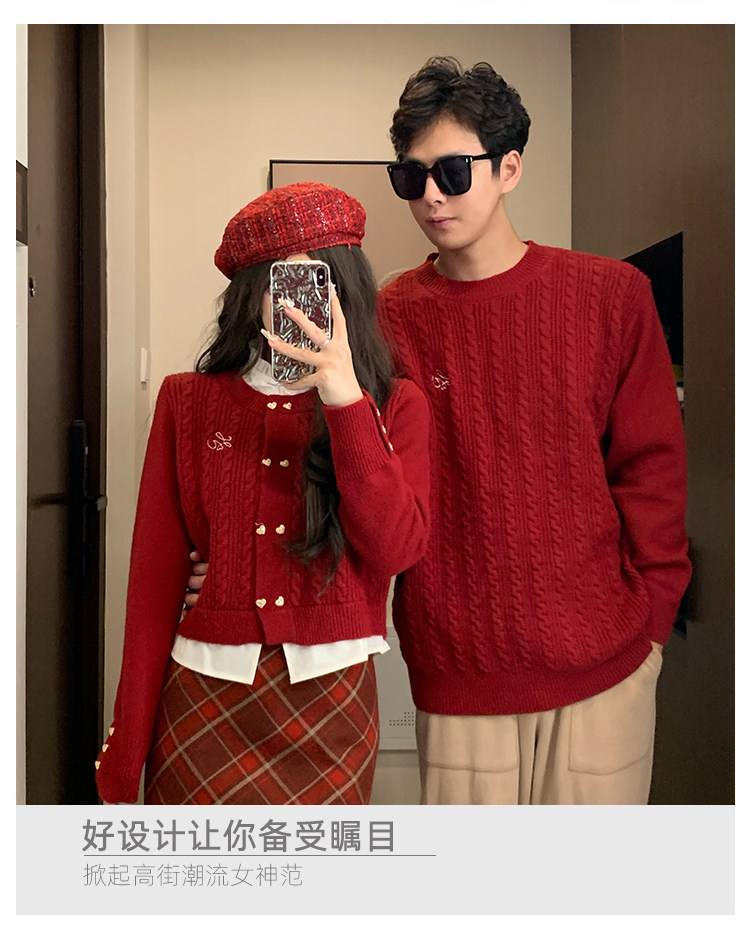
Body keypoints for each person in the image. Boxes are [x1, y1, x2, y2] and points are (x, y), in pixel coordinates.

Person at [186, 57, 692, 805]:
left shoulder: (612, 296)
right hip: (457, 670)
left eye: (453, 171)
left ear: (509, 167)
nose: (430, 195)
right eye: (411, 176)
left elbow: (653, 473)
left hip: (607, 665)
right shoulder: (385, 317)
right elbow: (333, 468)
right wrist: (233, 562)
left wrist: (652, 625)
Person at [95, 182, 431, 805]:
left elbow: (395, 549)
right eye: (280, 282)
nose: (296, 303)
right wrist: (126, 750)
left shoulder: (393, 405)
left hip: (333, 702)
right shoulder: (187, 401)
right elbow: (152, 586)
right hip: (203, 692)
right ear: (251, 293)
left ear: (346, 288)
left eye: (317, 281)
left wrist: (343, 397)